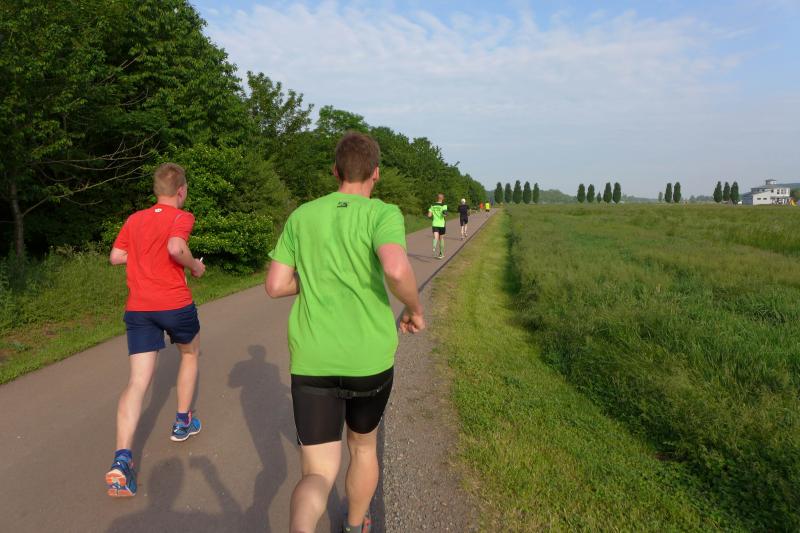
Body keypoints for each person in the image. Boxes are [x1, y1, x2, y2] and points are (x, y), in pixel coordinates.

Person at [266, 132, 425, 533]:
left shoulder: (303, 215)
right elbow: (395, 268)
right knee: (363, 446)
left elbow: (275, 285)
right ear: (376, 173)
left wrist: (317, 277)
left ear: (335, 171)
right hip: (368, 360)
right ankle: (355, 525)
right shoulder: (382, 213)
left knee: (317, 473)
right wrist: (414, 308)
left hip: (313, 359)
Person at [105, 163, 206, 497]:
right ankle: (182, 421)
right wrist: (195, 266)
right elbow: (176, 248)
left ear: (156, 190)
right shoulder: (181, 216)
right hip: (174, 304)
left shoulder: (135, 219)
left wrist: (143, 255)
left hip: (139, 309)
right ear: (181, 191)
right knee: (190, 354)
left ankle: (121, 460)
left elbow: (116, 256)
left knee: (137, 382)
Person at [427, 193, 448, 259]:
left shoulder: (433, 205)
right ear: (443, 198)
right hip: (441, 224)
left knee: (436, 237)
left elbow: (429, 215)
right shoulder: (444, 205)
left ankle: (434, 246)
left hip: (435, 223)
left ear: (437, 198)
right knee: (441, 239)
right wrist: (445, 214)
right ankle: (441, 254)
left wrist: (433, 214)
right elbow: (445, 214)